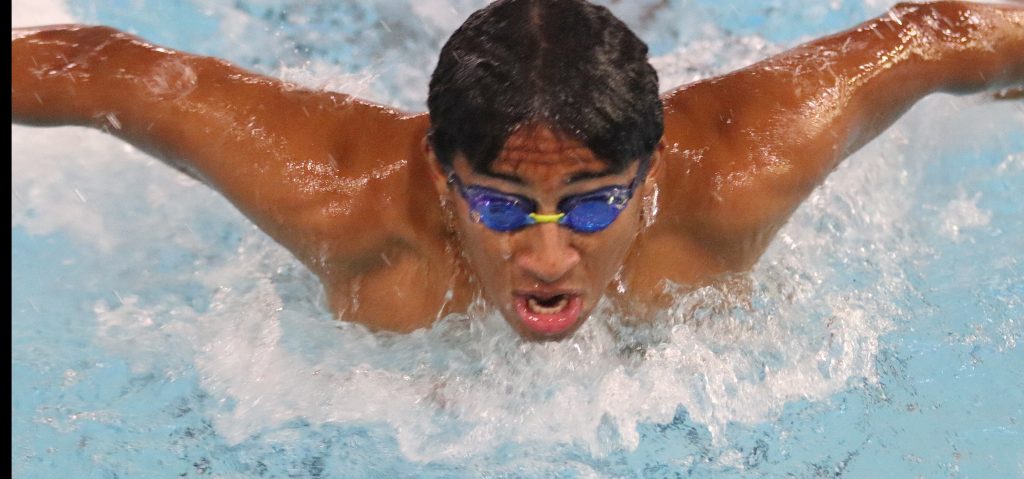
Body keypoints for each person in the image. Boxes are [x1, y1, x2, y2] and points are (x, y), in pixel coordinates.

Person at [11, 0, 1024, 341]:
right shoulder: (339, 194)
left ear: (650, 169)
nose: (546, 257)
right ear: (438, 174)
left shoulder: (740, 167)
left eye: (592, 204)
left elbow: (940, 35)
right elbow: (106, 71)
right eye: (500, 206)